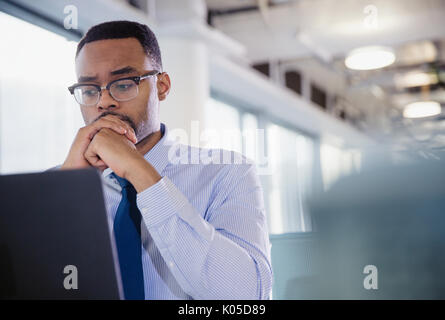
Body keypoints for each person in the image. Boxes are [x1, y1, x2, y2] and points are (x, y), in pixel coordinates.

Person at [60, 20, 273, 300]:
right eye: (89, 90)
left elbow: (245, 297)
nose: (104, 102)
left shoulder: (227, 173)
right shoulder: (60, 182)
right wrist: (64, 191)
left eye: (123, 85)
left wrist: (139, 172)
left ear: (162, 86)